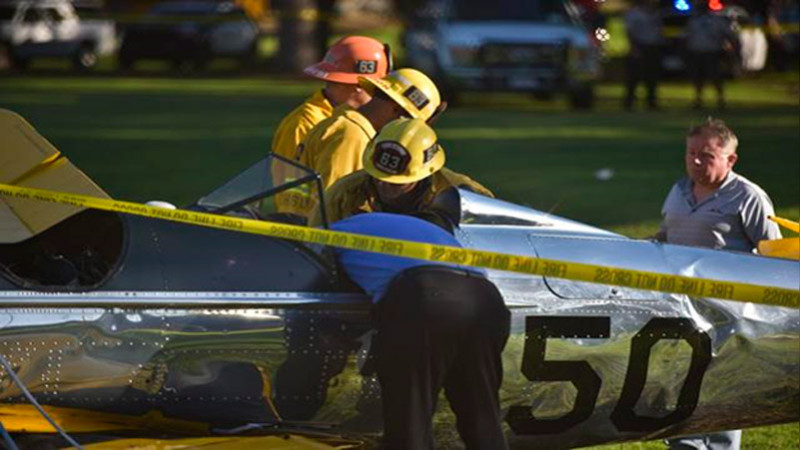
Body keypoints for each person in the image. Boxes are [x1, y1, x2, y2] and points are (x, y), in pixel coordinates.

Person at [329, 212, 511, 449]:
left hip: (426, 298)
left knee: (410, 420)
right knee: (482, 416)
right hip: (486, 299)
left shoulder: (328, 233)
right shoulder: (406, 227)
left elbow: (313, 275)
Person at [657, 117, 781, 450]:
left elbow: (774, 258)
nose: (696, 162)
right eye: (691, 153)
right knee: (680, 388)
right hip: (679, 311)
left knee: (719, 392)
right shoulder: (678, 190)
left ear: (731, 159)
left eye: (707, 155)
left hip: (726, 317)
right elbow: (665, 237)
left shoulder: (749, 197)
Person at [294, 68, 443, 220]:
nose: (406, 133)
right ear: (397, 110)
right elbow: (335, 203)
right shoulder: (352, 136)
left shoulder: (345, 123)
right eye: (409, 123)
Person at [271, 36, 391, 217]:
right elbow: (291, 192)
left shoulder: (356, 122)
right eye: (379, 88)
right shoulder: (304, 123)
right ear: (361, 85)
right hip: (309, 230)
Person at [309, 117, 493, 227]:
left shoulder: (467, 197)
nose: (382, 185)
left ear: (424, 174)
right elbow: (314, 248)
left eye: (396, 183)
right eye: (377, 176)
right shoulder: (342, 195)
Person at [685, 3, 740, 110]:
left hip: (712, 52)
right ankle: (699, 100)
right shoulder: (694, 21)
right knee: (699, 78)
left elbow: (730, 35)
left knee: (715, 77)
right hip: (698, 52)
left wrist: (732, 48)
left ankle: (720, 100)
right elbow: (687, 36)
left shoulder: (716, 21)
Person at [624, 0, 662, 110]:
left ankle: (651, 102)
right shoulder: (634, 13)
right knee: (634, 76)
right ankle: (629, 102)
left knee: (652, 76)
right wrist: (634, 47)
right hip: (640, 46)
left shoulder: (655, 13)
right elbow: (629, 31)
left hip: (653, 47)